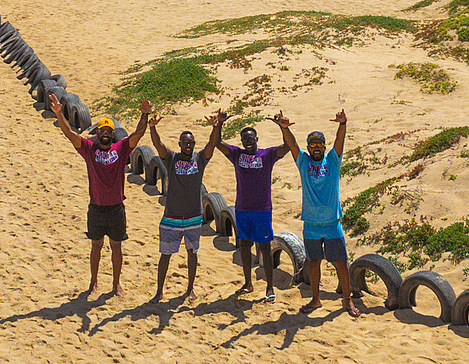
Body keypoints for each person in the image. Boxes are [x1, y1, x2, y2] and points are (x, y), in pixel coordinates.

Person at [49, 92, 150, 297]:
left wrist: (145, 114)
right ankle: (93, 283)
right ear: (97, 133)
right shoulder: (89, 149)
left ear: (113, 135)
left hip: (116, 208)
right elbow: (69, 133)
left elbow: (138, 134)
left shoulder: (121, 149)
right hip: (95, 208)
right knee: (96, 246)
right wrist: (60, 113)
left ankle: (116, 285)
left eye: (108, 131)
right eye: (102, 130)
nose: (105, 133)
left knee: (116, 247)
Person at [273, 108, 360, 317]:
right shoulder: (303, 162)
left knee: (341, 263)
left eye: (319, 144)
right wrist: (284, 129)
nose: (316, 148)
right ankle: (315, 299)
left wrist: (343, 124)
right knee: (313, 263)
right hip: (311, 223)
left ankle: (347, 301)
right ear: (309, 148)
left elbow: (340, 142)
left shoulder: (332, 161)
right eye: (312, 145)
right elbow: (292, 145)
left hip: (332, 222)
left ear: (324, 146)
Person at [147, 112, 223, 302]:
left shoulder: (199, 159)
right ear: (180, 144)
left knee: (192, 253)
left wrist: (216, 127)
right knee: (165, 255)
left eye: (191, 143)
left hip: (193, 217)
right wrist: (153, 127)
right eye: (185, 143)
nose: (188, 146)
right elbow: (158, 145)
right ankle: (159, 291)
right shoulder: (171, 158)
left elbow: (211, 145)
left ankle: (190, 289)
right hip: (171, 216)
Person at [216, 114, 290, 302]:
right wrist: (220, 124)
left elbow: (287, 147)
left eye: (251, 138)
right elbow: (216, 143)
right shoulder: (236, 155)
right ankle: (248, 283)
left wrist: (283, 127)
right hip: (242, 209)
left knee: (264, 248)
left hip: (262, 210)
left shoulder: (267, 155)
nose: (248, 142)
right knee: (244, 246)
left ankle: (269, 287)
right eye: (245, 139)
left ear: (256, 139)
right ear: (241, 141)